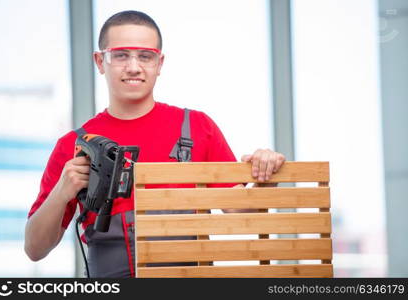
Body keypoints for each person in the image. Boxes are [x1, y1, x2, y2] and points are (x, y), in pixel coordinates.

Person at [24, 10, 285, 278]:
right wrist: (62, 192)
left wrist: (267, 172)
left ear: (159, 63)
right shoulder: (73, 145)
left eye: (145, 56)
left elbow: (241, 210)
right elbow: (34, 249)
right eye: (121, 55)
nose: (134, 67)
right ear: (100, 61)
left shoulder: (197, 127)